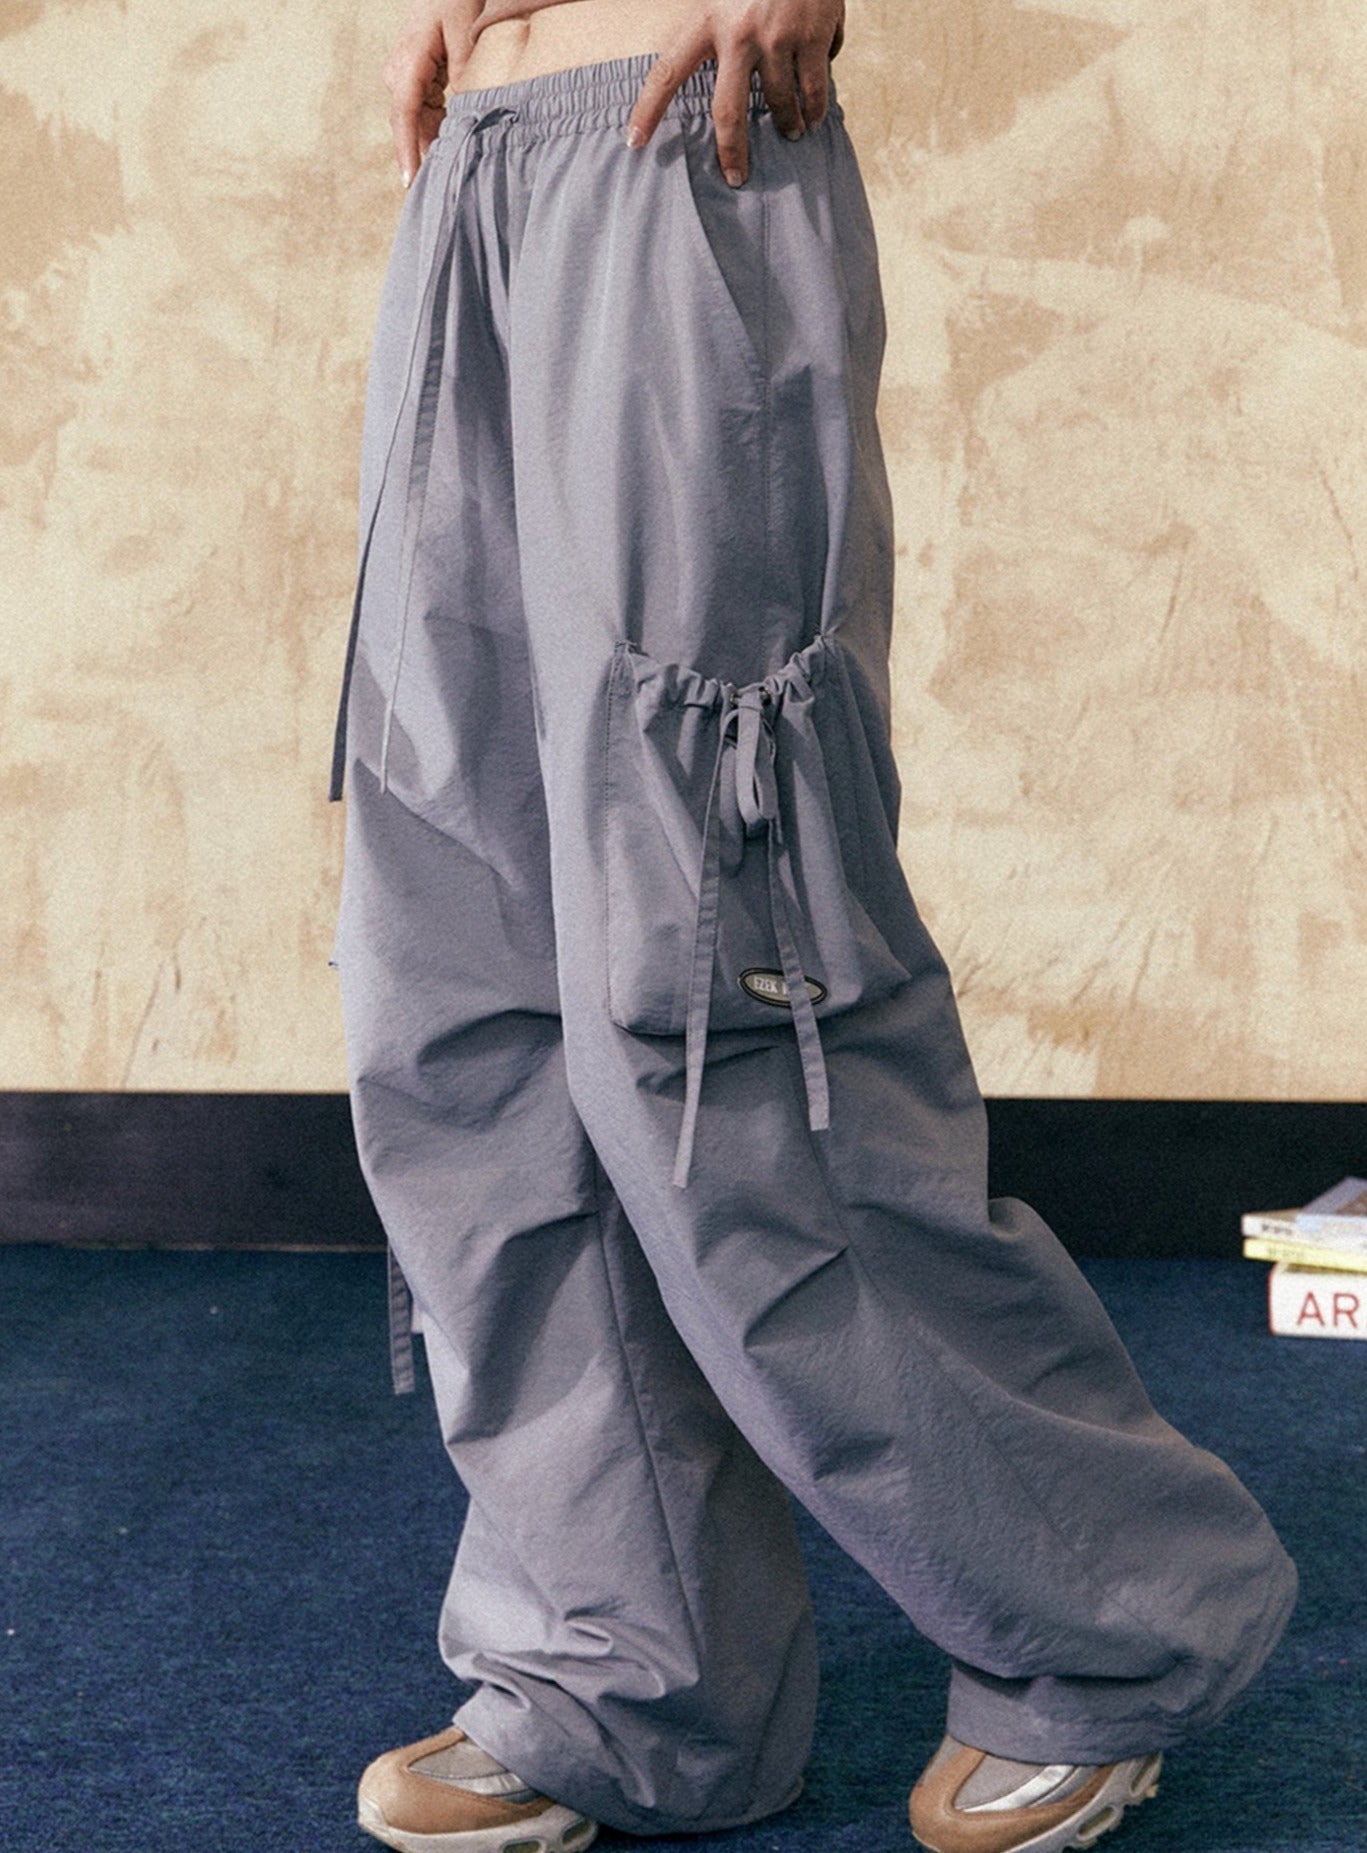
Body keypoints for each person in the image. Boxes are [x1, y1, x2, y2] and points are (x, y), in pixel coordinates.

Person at [328, 4, 1298, 1851]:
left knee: (716, 976)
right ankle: (631, 1668)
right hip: (480, 174)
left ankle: (1111, 1619)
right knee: (461, 982)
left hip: (676, 143)